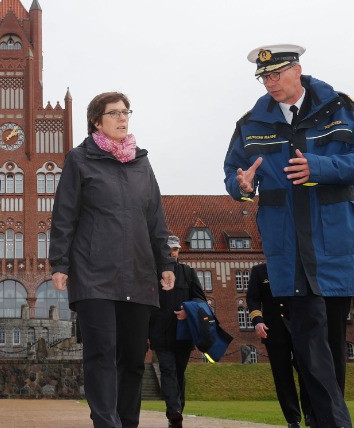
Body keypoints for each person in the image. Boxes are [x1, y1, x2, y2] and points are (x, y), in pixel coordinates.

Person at [223, 44, 354, 428]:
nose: (269, 83)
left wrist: (321, 166)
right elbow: (234, 173)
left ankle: (319, 417)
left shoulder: (341, 108)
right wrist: (241, 185)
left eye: (276, 74)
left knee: (329, 344)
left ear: (297, 69)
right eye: (264, 77)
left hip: (334, 240)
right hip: (287, 245)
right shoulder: (251, 123)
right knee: (310, 340)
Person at [49, 91, 176, 428]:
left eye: (126, 112)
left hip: (137, 272)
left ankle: (126, 422)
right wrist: (60, 263)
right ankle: (107, 423)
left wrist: (165, 263)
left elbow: (155, 217)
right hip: (93, 274)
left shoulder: (142, 162)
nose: (123, 118)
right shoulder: (79, 159)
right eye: (115, 113)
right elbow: (64, 215)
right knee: (101, 354)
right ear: (97, 120)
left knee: (134, 359)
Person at [148, 235, 207, 428]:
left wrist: (187, 311)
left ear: (179, 251)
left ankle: (178, 409)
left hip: (183, 333)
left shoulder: (188, 273)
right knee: (167, 370)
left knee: (179, 372)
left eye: (175, 249)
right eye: (169, 250)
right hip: (159, 332)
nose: (172, 253)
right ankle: (174, 412)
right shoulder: (152, 273)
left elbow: (200, 300)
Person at [246, 263, 309, 428]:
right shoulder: (260, 271)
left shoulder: (297, 265)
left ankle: (310, 412)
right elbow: (252, 298)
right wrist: (257, 321)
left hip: (299, 327)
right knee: (282, 375)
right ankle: (292, 419)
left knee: (307, 370)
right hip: (273, 330)